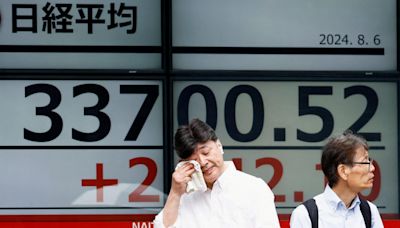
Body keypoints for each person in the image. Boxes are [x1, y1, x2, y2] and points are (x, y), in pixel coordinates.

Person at [153, 118, 280, 228]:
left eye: (206, 152)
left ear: (219, 145)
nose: (203, 162)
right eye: (194, 160)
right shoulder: (185, 198)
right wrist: (175, 193)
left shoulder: (254, 188)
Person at [290, 131, 384, 228]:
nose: (372, 168)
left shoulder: (370, 212)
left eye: (370, 160)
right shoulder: (305, 214)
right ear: (343, 171)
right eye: (365, 162)